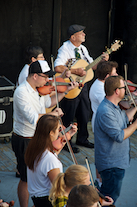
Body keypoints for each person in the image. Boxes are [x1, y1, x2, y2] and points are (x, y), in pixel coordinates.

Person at [11, 60, 78, 207]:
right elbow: (33, 118)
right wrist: (53, 115)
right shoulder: (21, 92)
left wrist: (65, 91)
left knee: (37, 174)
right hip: (24, 138)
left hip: (37, 137)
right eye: (45, 76)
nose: (48, 80)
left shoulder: (39, 89)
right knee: (26, 177)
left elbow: (49, 103)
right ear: (35, 76)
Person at [54, 24, 109, 153]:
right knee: (69, 115)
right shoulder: (65, 48)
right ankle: (66, 142)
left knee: (84, 113)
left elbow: (91, 66)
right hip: (71, 86)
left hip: (82, 86)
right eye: (81, 33)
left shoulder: (83, 49)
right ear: (73, 37)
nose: (84, 34)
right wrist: (75, 70)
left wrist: (101, 61)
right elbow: (57, 67)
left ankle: (82, 139)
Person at [94, 75, 137, 203]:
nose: (126, 90)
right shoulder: (106, 111)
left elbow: (125, 119)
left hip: (116, 163)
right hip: (111, 166)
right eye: (124, 88)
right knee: (109, 200)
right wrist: (136, 124)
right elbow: (119, 136)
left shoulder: (114, 106)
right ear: (117, 91)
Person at [25, 114, 77, 207]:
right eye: (58, 129)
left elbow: (52, 156)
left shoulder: (35, 148)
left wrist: (64, 140)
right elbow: (59, 187)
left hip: (37, 199)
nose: (59, 132)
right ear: (51, 133)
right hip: (48, 201)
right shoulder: (49, 159)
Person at [89, 61, 118, 189]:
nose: (117, 75)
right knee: (103, 154)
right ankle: (100, 180)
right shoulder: (99, 89)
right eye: (114, 73)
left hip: (102, 122)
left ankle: (100, 179)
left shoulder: (103, 85)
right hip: (101, 124)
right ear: (107, 76)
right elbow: (110, 105)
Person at [49, 165, 113, 207]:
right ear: (77, 186)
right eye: (87, 182)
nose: (90, 183)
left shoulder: (68, 194)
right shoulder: (63, 202)